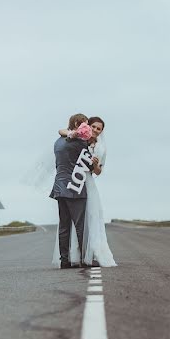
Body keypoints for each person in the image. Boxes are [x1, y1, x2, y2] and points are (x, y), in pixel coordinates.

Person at [53, 116, 117, 267]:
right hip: (75, 184)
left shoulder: (100, 148)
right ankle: (78, 256)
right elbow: (62, 132)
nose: (95, 130)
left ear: (101, 132)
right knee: (78, 223)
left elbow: (98, 171)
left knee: (90, 219)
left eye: (98, 129)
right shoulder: (78, 140)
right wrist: (72, 133)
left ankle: (88, 253)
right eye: (93, 126)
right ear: (87, 126)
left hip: (84, 182)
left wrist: (95, 165)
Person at [49, 113, 93, 268]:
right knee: (80, 225)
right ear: (77, 124)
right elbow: (89, 166)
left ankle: (64, 260)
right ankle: (84, 259)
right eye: (85, 124)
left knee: (64, 226)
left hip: (59, 187)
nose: (87, 128)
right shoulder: (79, 143)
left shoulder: (57, 142)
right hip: (74, 189)